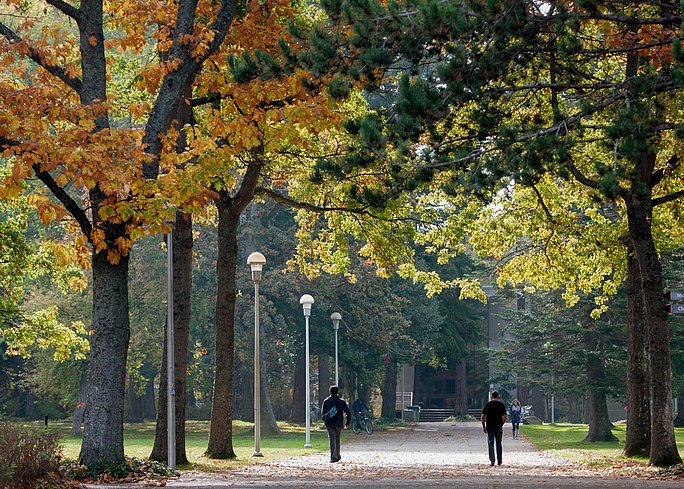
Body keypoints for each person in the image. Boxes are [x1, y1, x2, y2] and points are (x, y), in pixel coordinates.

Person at [321, 385, 351, 463]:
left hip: (330, 424)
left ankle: (333, 456)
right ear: (337, 392)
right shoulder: (341, 402)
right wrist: (347, 423)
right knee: (337, 439)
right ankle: (337, 455)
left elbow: (323, 414)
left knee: (332, 439)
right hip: (338, 423)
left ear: (330, 392)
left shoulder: (326, 401)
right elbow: (348, 413)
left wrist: (326, 423)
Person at [481, 390, 508, 466]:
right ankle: (499, 460)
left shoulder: (488, 405)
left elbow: (483, 417)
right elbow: (505, 417)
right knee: (499, 443)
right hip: (498, 426)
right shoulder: (501, 405)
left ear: (491, 396)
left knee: (490, 443)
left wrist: (484, 426)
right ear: (498, 396)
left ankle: (492, 460)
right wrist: (501, 424)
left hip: (490, 426)